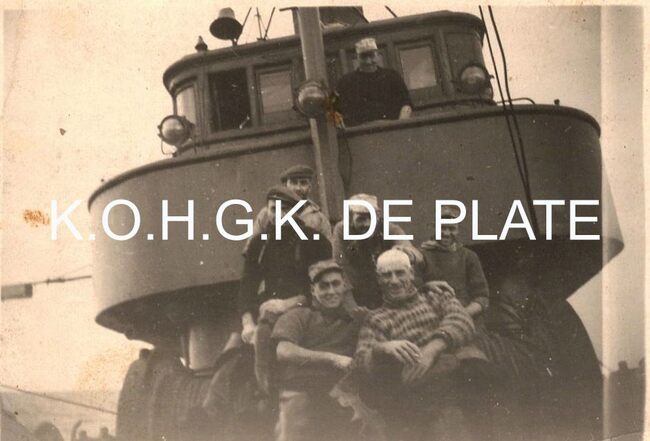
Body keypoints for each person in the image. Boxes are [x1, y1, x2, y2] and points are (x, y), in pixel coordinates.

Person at [350, 249, 497, 441]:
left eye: (400, 273)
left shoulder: (435, 296)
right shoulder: (376, 319)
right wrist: (381, 348)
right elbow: (359, 362)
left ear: (411, 273)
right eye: (386, 275)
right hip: (422, 391)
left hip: (460, 378)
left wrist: (432, 349)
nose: (394, 281)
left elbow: (462, 320)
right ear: (379, 279)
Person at [271, 260, 366, 441]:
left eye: (336, 284)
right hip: (301, 388)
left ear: (344, 286)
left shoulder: (355, 319)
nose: (331, 291)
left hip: (340, 390)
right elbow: (284, 351)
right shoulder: (298, 315)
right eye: (324, 286)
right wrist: (333, 358)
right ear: (313, 290)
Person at [239, 185, 332, 345]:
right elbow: (248, 285)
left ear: (296, 212)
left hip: (307, 311)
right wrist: (247, 323)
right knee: (234, 352)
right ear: (267, 211)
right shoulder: (259, 243)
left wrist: (287, 304)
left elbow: (324, 288)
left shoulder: (315, 241)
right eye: (273, 209)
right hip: (269, 310)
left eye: (285, 209)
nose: (279, 215)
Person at [332, 193, 417, 308]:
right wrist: (351, 305)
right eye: (361, 219)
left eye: (371, 218)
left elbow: (409, 249)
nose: (367, 224)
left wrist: (403, 252)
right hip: (357, 290)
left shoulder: (388, 228)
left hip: (387, 287)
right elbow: (340, 266)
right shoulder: (342, 230)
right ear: (350, 218)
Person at [335, 38, 412, 127]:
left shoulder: (392, 76)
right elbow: (331, 108)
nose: (368, 61)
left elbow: (406, 104)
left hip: (391, 129)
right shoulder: (345, 82)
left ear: (377, 55)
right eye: (363, 56)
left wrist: (400, 126)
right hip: (359, 133)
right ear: (357, 57)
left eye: (371, 56)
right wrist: (340, 125)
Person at [249, 164, 331, 243]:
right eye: (293, 183)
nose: (298, 188)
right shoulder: (268, 213)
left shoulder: (319, 218)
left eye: (303, 183)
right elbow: (252, 245)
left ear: (309, 187)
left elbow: (327, 248)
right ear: (286, 186)